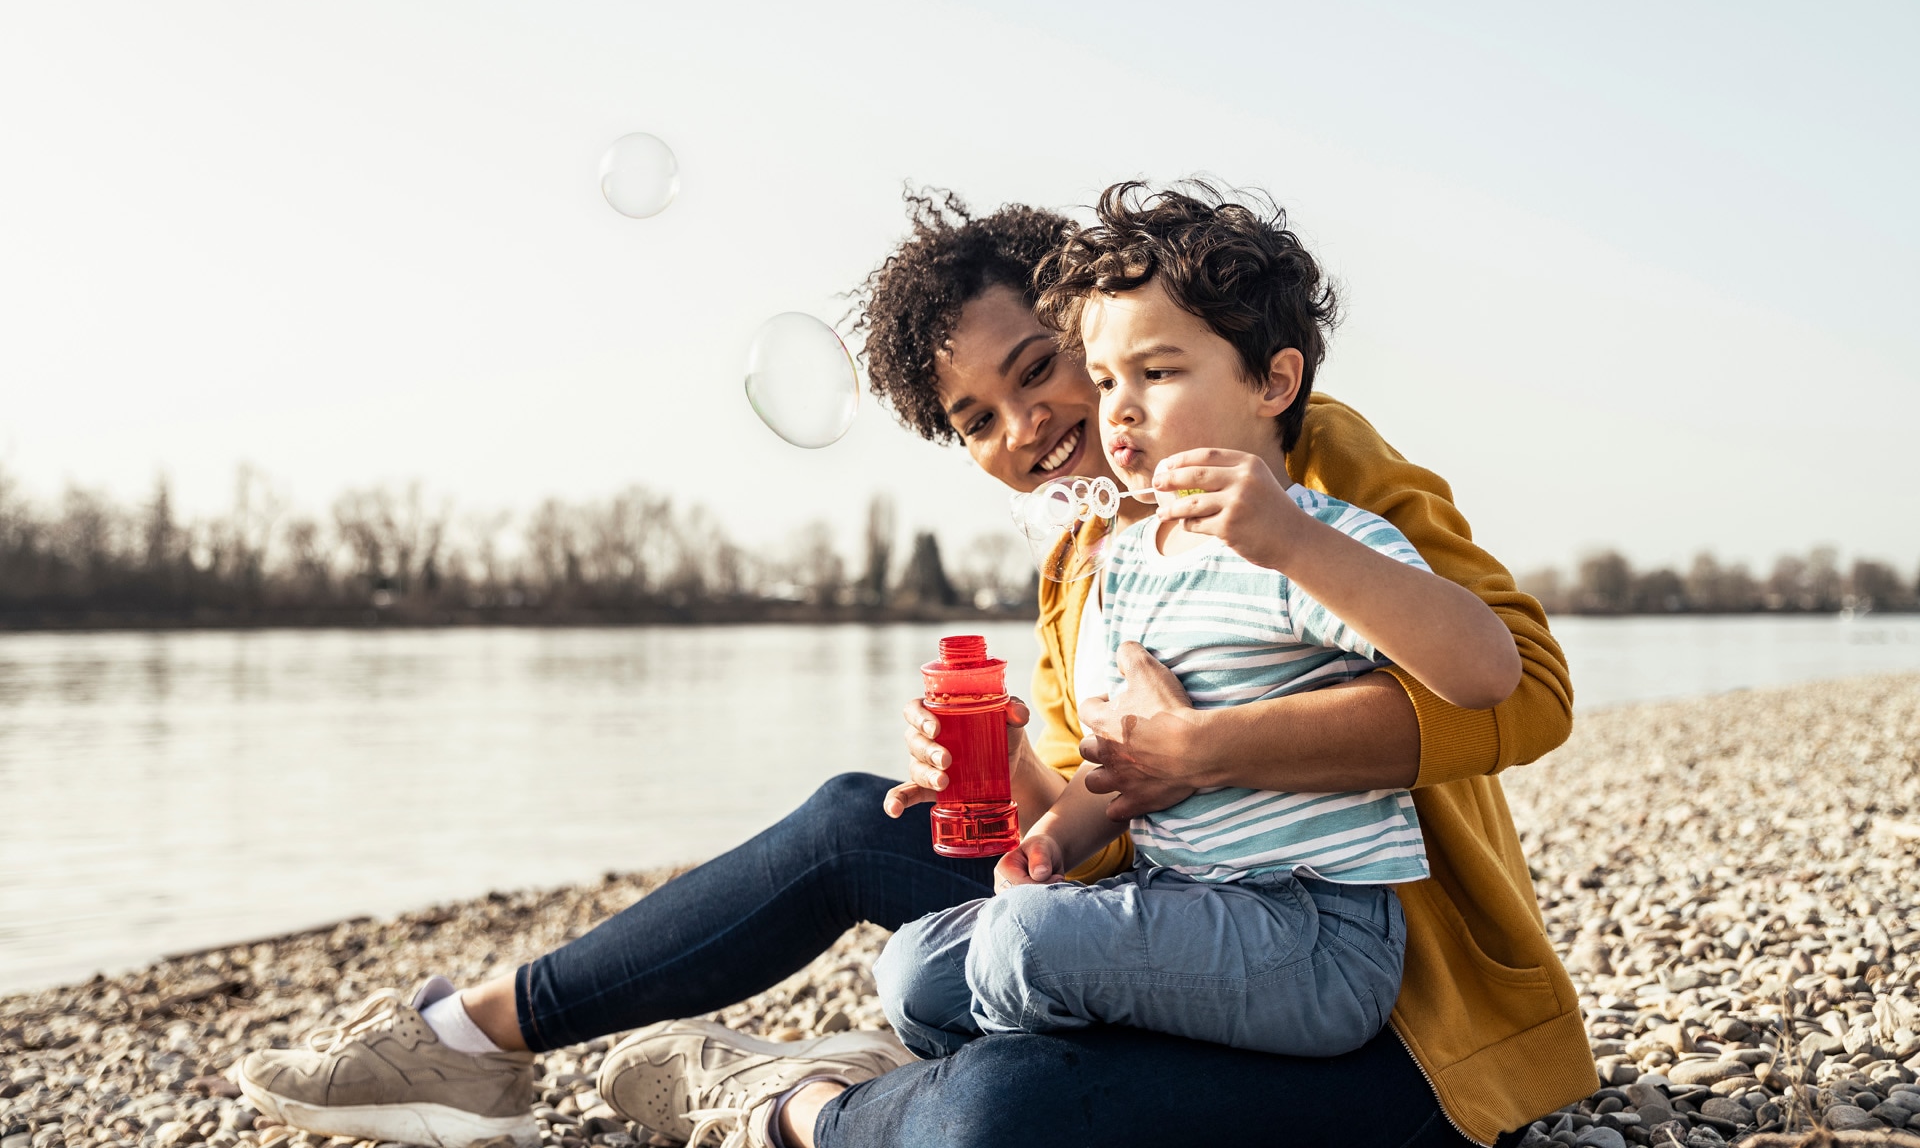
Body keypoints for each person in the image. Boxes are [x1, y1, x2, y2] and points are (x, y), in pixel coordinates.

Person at [236, 188, 1595, 1148]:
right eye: (978, 420)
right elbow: (1113, 829)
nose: (1037, 426)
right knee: (852, 820)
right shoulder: (1086, 564)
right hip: (1195, 921)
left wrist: (1207, 751)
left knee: (1009, 1115)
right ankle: (466, 1040)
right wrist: (1012, 770)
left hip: (1377, 995)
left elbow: (1521, 691)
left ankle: (787, 1104)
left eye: (1043, 367)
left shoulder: (1291, 463)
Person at [871, 182, 1523, 1063]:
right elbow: (1118, 775)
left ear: (1274, 383)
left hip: (1314, 928)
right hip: (1187, 898)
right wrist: (1045, 838)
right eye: (1107, 380)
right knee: (914, 971)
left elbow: (1493, 676)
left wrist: (1291, 542)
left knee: (1018, 950)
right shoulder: (1112, 565)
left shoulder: (1309, 527)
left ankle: (1000, 1084)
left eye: (1157, 374)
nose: (1118, 409)